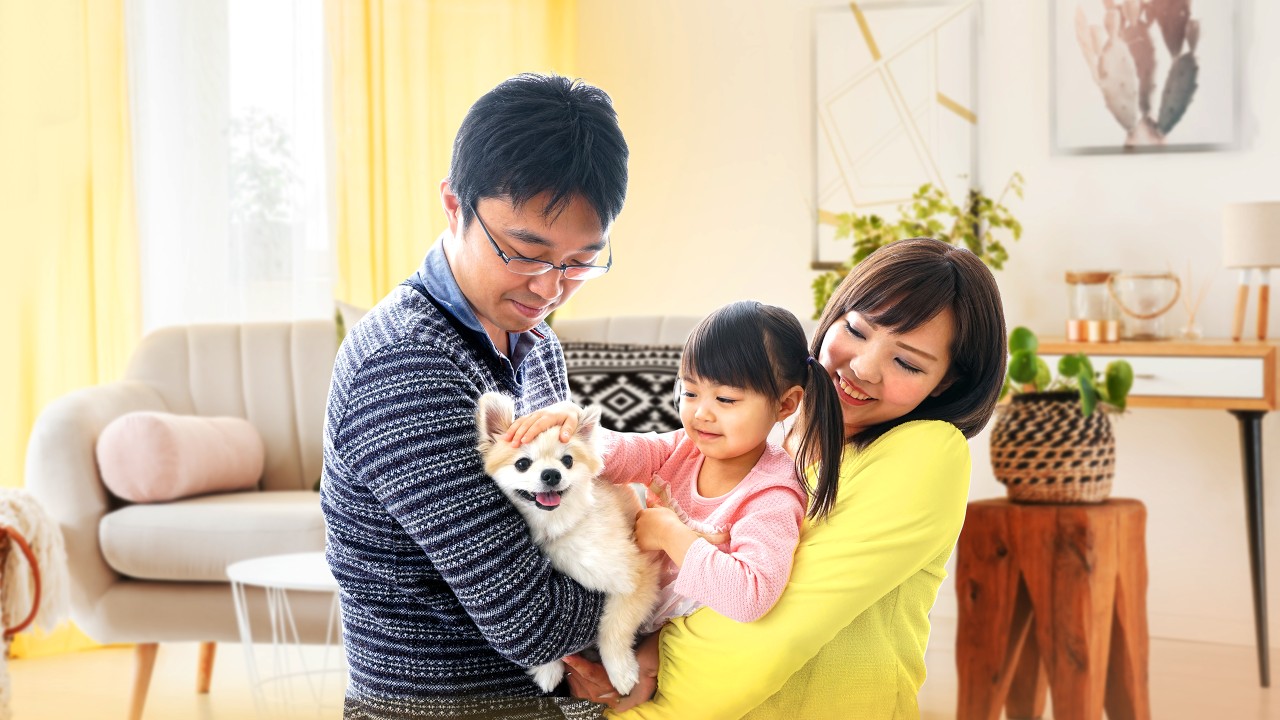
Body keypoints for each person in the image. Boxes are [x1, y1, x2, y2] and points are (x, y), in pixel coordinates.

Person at [555, 238, 1007, 719]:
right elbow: (638, 453)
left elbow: (766, 631)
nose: (863, 367)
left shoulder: (924, 452)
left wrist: (641, 681)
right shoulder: (763, 441)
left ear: (948, 384)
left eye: (907, 362)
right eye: (856, 329)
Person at [319, 73, 629, 718]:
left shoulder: (533, 340)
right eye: (525, 251)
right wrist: (645, 599)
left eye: (580, 262)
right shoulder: (406, 365)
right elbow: (533, 621)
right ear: (454, 204)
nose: (550, 289)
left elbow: (570, 527)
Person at [505, 300, 845, 637]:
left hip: (686, 645)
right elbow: (624, 453)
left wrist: (669, 533)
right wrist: (571, 430)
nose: (701, 414)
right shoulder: (683, 447)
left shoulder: (772, 495)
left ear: (786, 404)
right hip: (634, 614)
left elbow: (749, 596)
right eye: (690, 391)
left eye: (725, 400)